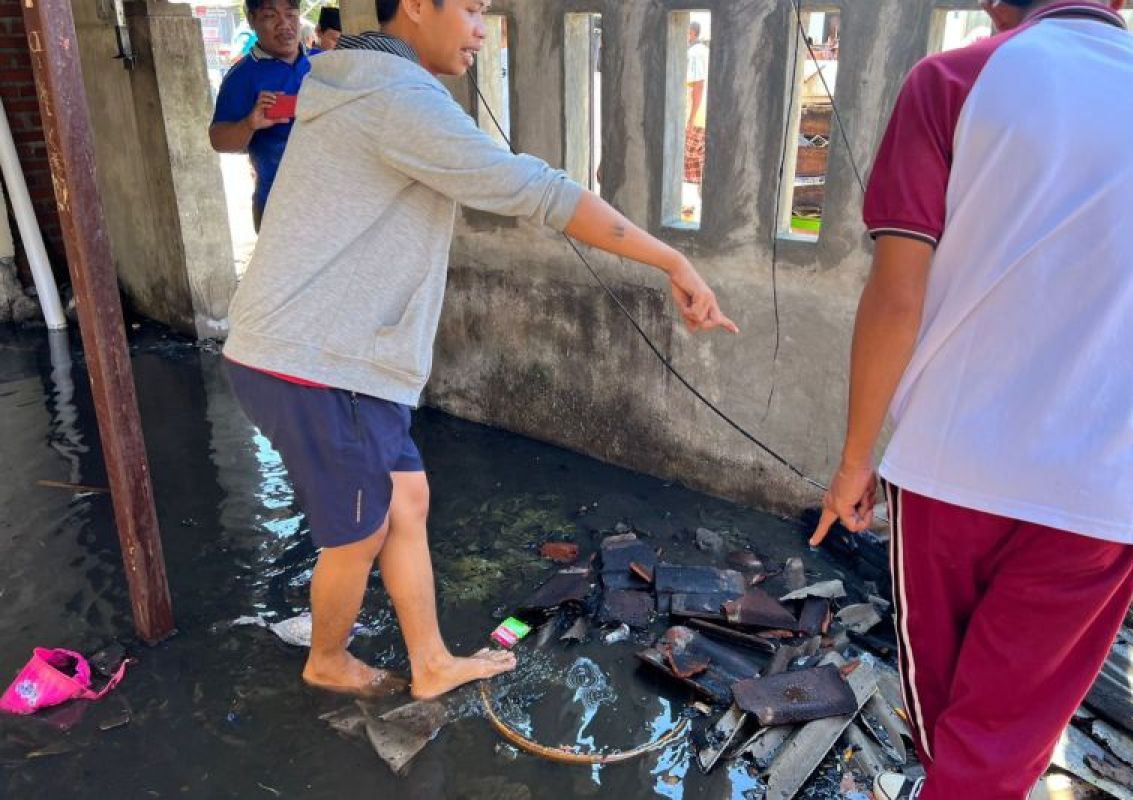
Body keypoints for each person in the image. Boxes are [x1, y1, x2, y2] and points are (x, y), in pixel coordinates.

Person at [221, 0, 738, 701]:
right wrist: (671, 260)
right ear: (414, 7)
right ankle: (328, 658)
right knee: (359, 528)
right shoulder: (398, 96)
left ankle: (430, 662)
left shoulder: (350, 74)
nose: (479, 28)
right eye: (469, 8)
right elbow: (539, 191)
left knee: (407, 497)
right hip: (312, 354)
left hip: (339, 348)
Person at [810, 1, 1133, 798]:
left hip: (956, 468)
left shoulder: (952, 80)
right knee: (1001, 739)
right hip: (1104, 481)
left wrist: (855, 461)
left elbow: (896, 294)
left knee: (947, 723)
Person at [209, 0, 311, 231]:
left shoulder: (324, 63)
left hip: (334, 202)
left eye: (291, 14)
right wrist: (249, 124)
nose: (284, 24)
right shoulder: (241, 77)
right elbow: (218, 140)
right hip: (279, 209)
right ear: (252, 20)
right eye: (270, 16)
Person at [682, 19, 708, 221]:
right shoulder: (703, 51)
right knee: (698, 167)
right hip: (700, 117)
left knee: (685, 165)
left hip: (696, 118)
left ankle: (688, 210)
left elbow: (698, 87)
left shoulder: (694, 54)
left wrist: (690, 119)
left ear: (691, 33)